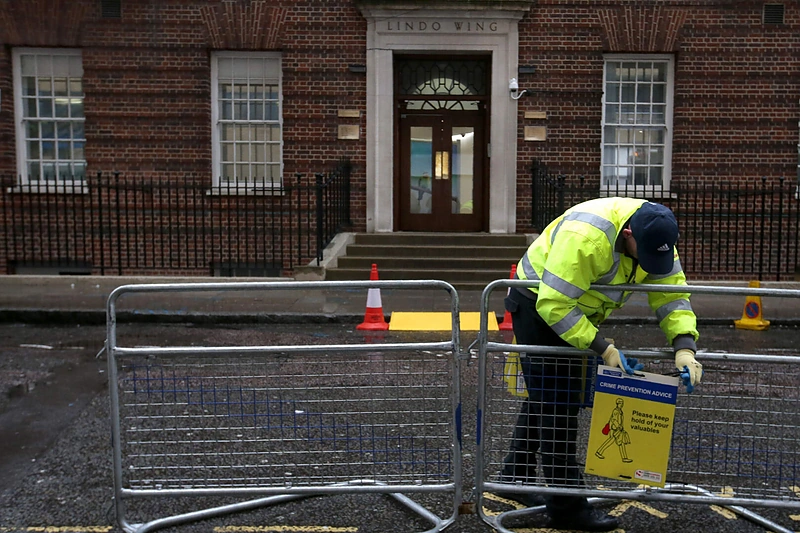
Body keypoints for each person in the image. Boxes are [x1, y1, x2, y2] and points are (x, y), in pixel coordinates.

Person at [496, 197, 703, 532]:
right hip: (537, 302)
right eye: (645, 254)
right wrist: (603, 348)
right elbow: (556, 305)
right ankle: (567, 510)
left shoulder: (657, 238)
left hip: (574, 308)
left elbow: (672, 296)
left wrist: (685, 347)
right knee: (559, 407)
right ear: (628, 234)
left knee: (547, 396)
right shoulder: (588, 237)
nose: (650, 263)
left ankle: (514, 474)